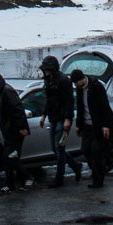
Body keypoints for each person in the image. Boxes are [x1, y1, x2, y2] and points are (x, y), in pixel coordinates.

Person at [37, 55, 83, 188]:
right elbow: (48, 99)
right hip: (53, 117)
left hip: (62, 118)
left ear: (52, 69)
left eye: (47, 69)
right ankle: (75, 165)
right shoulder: (48, 80)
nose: (45, 71)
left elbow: (69, 101)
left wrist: (68, 119)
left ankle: (59, 179)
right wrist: (44, 115)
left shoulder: (64, 81)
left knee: (59, 147)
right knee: (55, 148)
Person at [70, 68, 113, 189]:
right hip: (86, 126)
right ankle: (97, 173)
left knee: (96, 152)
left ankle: (98, 179)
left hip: (98, 126)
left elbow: (104, 106)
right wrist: (78, 125)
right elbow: (80, 108)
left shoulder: (96, 86)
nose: (76, 85)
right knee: (85, 150)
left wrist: (106, 125)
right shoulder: (80, 90)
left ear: (81, 79)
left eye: (76, 83)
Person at [0, 70, 30, 194]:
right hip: (10, 132)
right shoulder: (3, 92)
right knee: (11, 158)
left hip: (15, 132)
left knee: (9, 158)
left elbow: (18, 110)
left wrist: (21, 127)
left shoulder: (6, 91)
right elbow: (9, 110)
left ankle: (24, 179)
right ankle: (17, 182)